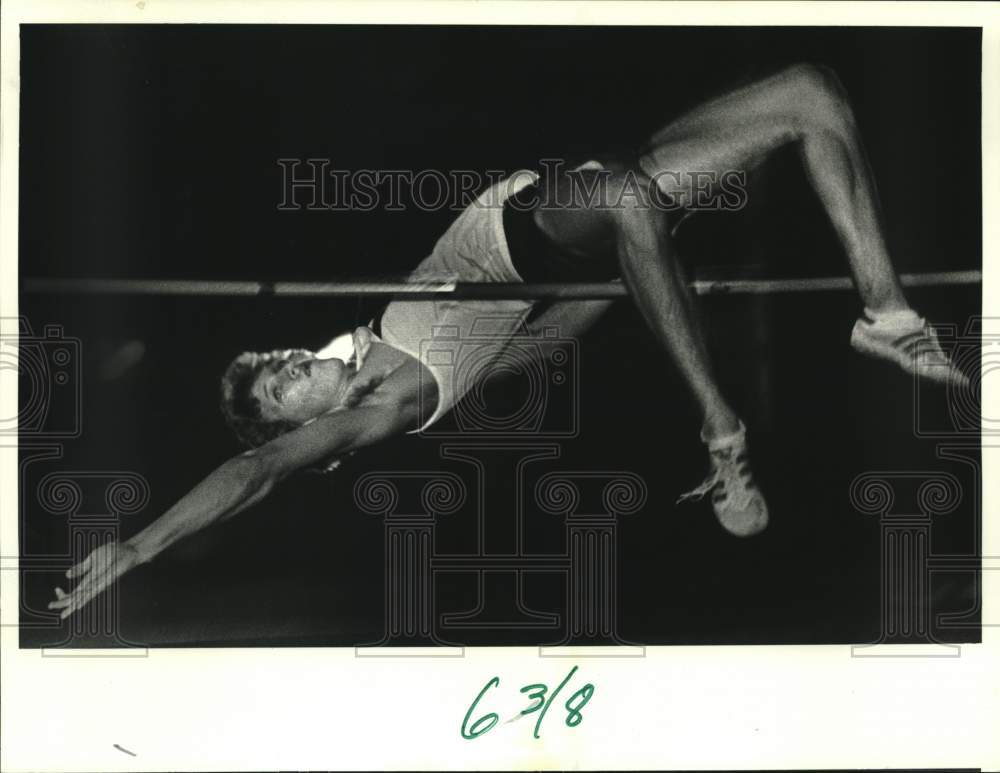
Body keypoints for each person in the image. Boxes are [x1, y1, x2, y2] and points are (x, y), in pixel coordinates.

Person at [49, 63, 968, 620]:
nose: (286, 366)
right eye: (276, 390)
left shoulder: (375, 349)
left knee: (811, 94)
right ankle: (721, 429)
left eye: (276, 360)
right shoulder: (372, 413)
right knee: (624, 199)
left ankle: (883, 311)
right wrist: (137, 547)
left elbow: (556, 328)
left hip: (570, 215)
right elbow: (253, 476)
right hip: (528, 227)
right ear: (301, 434)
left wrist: (637, 271)